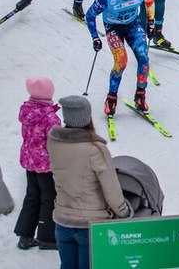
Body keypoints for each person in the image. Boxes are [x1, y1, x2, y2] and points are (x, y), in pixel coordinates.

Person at [48, 95, 132, 268]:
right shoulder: (95, 149)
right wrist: (123, 212)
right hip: (90, 227)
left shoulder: (54, 143)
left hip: (62, 221)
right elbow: (111, 189)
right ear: (87, 117)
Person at [14, 76, 61, 251]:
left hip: (30, 162)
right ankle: (47, 237)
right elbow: (55, 141)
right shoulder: (50, 118)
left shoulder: (27, 112)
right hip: (46, 165)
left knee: (32, 196)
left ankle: (24, 234)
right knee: (49, 198)